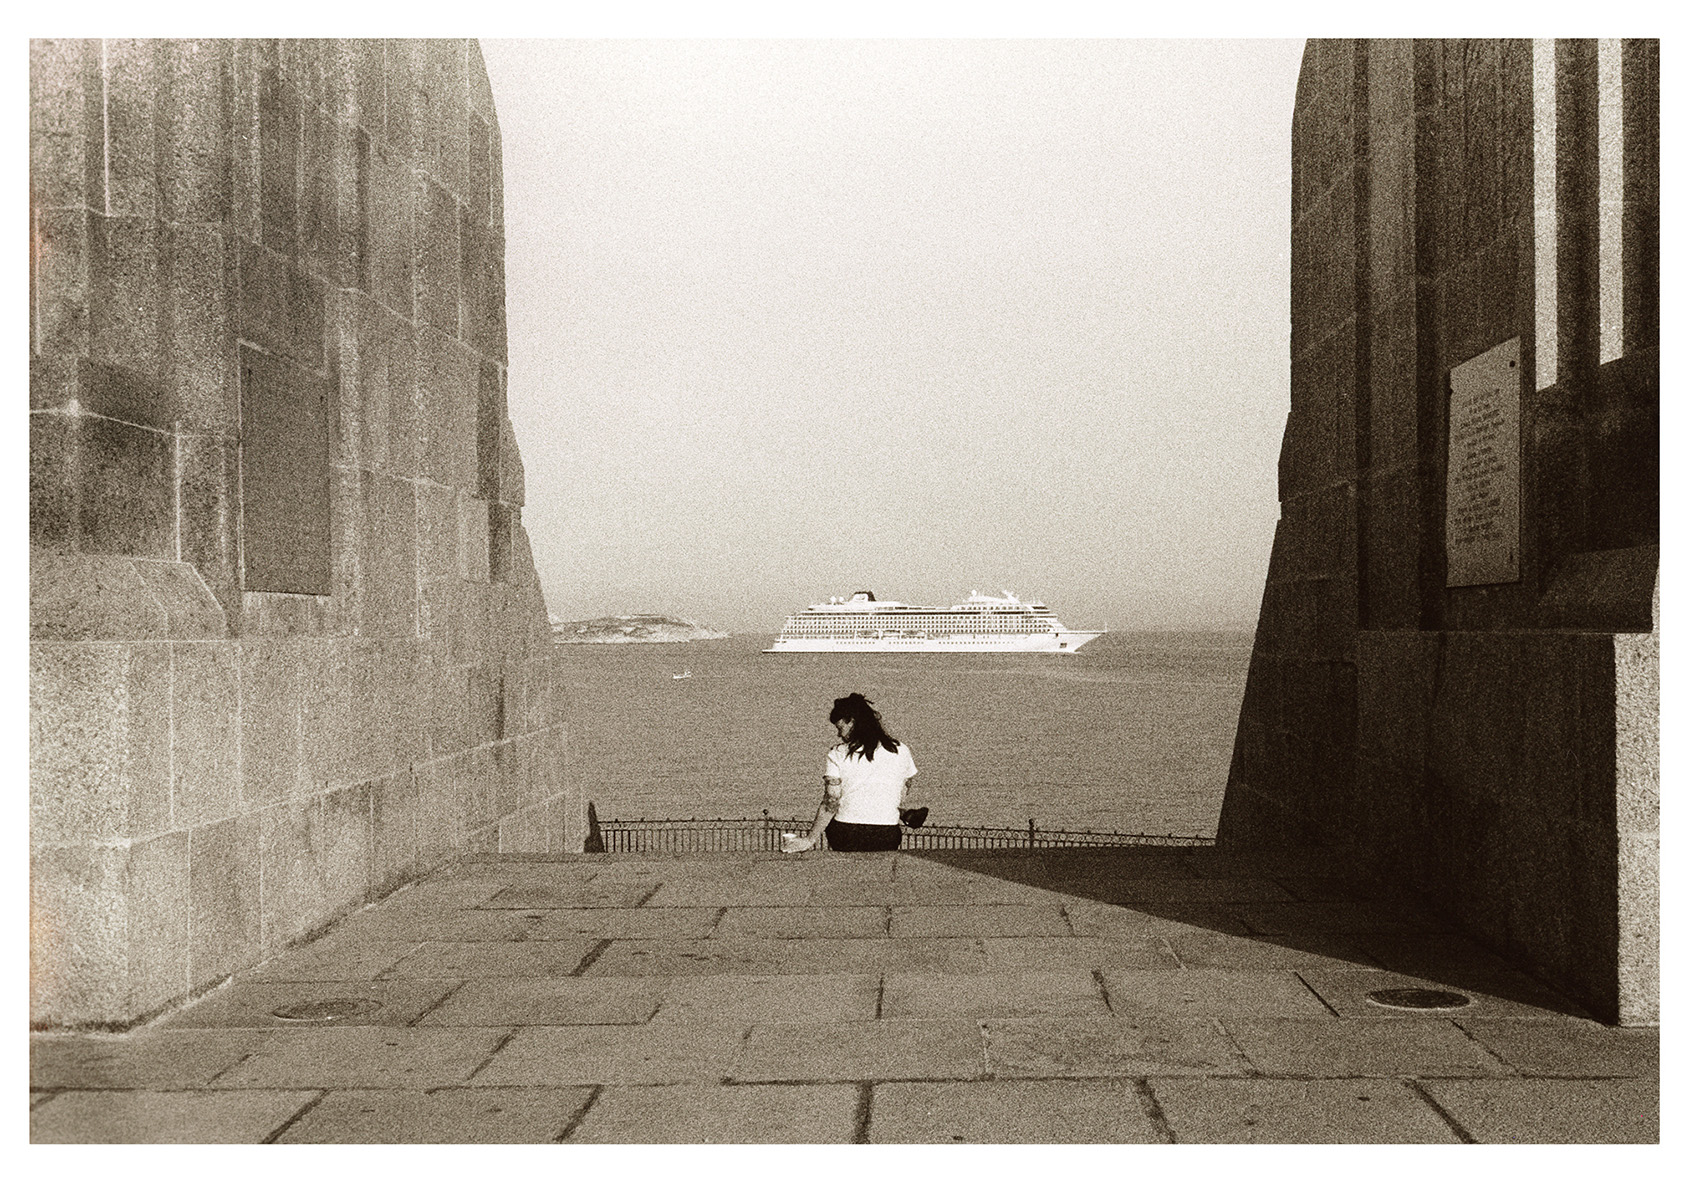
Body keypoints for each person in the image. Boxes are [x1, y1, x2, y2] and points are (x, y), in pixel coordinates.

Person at [782, 693, 917, 853]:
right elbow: (905, 786)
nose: (839, 734)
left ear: (852, 721)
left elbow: (831, 801)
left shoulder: (838, 753)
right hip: (887, 835)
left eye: (840, 728)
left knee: (836, 826)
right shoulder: (901, 749)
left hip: (846, 834)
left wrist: (809, 839)